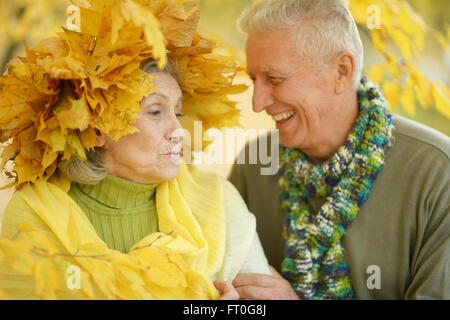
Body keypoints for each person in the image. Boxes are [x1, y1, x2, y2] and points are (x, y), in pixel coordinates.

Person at [0, 0, 271, 300]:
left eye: (177, 112)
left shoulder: (219, 204)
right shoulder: (35, 215)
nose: (178, 130)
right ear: (96, 129)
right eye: (155, 112)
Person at [229, 0, 449, 300]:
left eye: (275, 80)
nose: (257, 102)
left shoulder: (437, 174)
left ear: (341, 72)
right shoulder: (253, 165)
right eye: (254, 80)